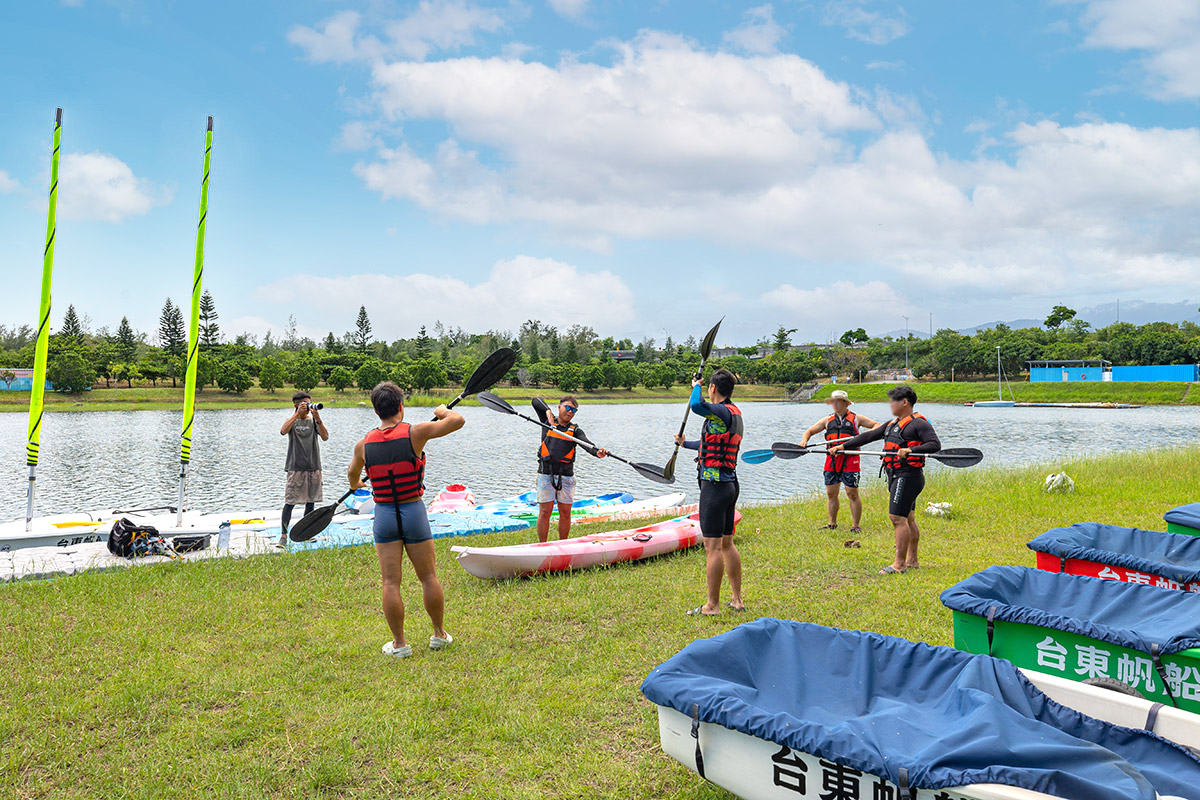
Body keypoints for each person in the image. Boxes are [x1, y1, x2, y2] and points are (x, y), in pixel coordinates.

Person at [347, 382, 465, 658]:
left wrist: (357, 484)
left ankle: (399, 644)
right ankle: (439, 634)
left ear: (376, 410)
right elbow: (457, 420)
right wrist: (441, 410)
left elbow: (352, 476)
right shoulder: (416, 432)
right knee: (428, 577)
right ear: (401, 406)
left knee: (390, 582)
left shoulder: (363, 444)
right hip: (413, 511)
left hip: (384, 513)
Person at [828, 385, 940, 575]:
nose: (890, 404)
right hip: (897, 475)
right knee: (908, 518)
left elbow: (935, 444)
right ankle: (912, 561)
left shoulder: (919, 423)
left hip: (908, 476)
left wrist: (911, 450)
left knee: (897, 518)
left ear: (904, 402)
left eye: (893, 400)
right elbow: (867, 436)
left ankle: (899, 564)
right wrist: (842, 446)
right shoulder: (891, 424)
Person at [673, 368, 744, 616]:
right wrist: (685, 444)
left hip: (714, 487)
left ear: (712, 388)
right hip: (730, 484)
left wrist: (695, 384)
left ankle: (712, 606)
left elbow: (696, 405)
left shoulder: (720, 411)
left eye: (707, 387)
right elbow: (708, 444)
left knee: (712, 547)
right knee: (727, 544)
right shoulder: (733, 413)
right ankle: (736, 600)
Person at [799, 390, 879, 533]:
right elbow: (809, 431)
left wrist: (867, 434)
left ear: (845, 403)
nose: (834, 404)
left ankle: (855, 526)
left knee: (852, 493)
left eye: (838, 401)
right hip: (832, 460)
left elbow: (877, 425)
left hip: (850, 459)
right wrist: (804, 441)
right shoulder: (827, 420)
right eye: (833, 402)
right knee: (831, 494)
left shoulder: (856, 419)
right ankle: (832, 523)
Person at [535, 396, 608, 542]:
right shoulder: (547, 422)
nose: (570, 412)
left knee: (565, 513)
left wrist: (597, 452)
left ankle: (563, 544)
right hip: (545, 474)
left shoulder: (575, 431)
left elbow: (587, 444)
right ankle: (542, 546)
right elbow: (536, 401)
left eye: (574, 410)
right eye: (567, 407)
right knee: (545, 512)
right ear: (559, 407)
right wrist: (547, 411)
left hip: (566, 476)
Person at [279, 391, 329, 547]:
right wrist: (296, 414)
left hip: (314, 467)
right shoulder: (292, 421)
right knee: (290, 501)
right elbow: (282, 431)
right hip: (295, 467)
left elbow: (325, 437)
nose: (308, 406)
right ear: (296, 404)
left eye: (309, 403)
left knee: (311, 502)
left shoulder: (313, 421)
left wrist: (317, 418)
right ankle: (283, 535)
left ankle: (305, 533)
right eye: (305, 404)